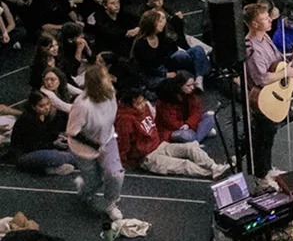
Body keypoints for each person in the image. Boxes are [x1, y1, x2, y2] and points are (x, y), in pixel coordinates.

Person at [115, 87, 226, 178]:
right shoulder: (125, 119)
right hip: (147, 157)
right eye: (139, 103)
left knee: (190, 147)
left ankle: (214, 167)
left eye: (143, 101)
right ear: (129, 104)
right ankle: (212, 173)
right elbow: (123, 144)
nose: (143, 105)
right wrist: (125, 163)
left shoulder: (144, 108)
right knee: (184, 165)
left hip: (159, 145)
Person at [245, 1, 293, 184]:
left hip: (272, 95)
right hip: (262, 98)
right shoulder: (251, 48)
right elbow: (261, 78)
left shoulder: (265, 37)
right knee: (262, 139)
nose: (270, 21)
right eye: (265, 19)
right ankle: (261, 176)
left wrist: (289, 57)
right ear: (255, 24)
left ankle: (267, 168)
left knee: (270, 136)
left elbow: (274, 61)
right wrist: (285, 73)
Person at [66, 61, 123, 222]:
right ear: (97, 83)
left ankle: (112, 204)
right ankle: (84, 188)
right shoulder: (82, 105)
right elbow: (72, 132)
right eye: (105, 77)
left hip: (108, 139)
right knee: (94, 183)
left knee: (115, 174)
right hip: (84, 148)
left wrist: (107, 141)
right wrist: (96, 146)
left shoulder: (110, 92)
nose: (110, 78)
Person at [9, 90, 72, 175]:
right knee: (53, 155)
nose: (47, 108)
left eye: (48, 104)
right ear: (33, 106)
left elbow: (46, 134)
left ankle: (48, 169)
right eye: (42, 106)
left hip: (39, 150)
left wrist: (59, 136)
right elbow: (31, 146)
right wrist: (53, 144)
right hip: (24, 155)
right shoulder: (28, 120)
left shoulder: (43, 116)